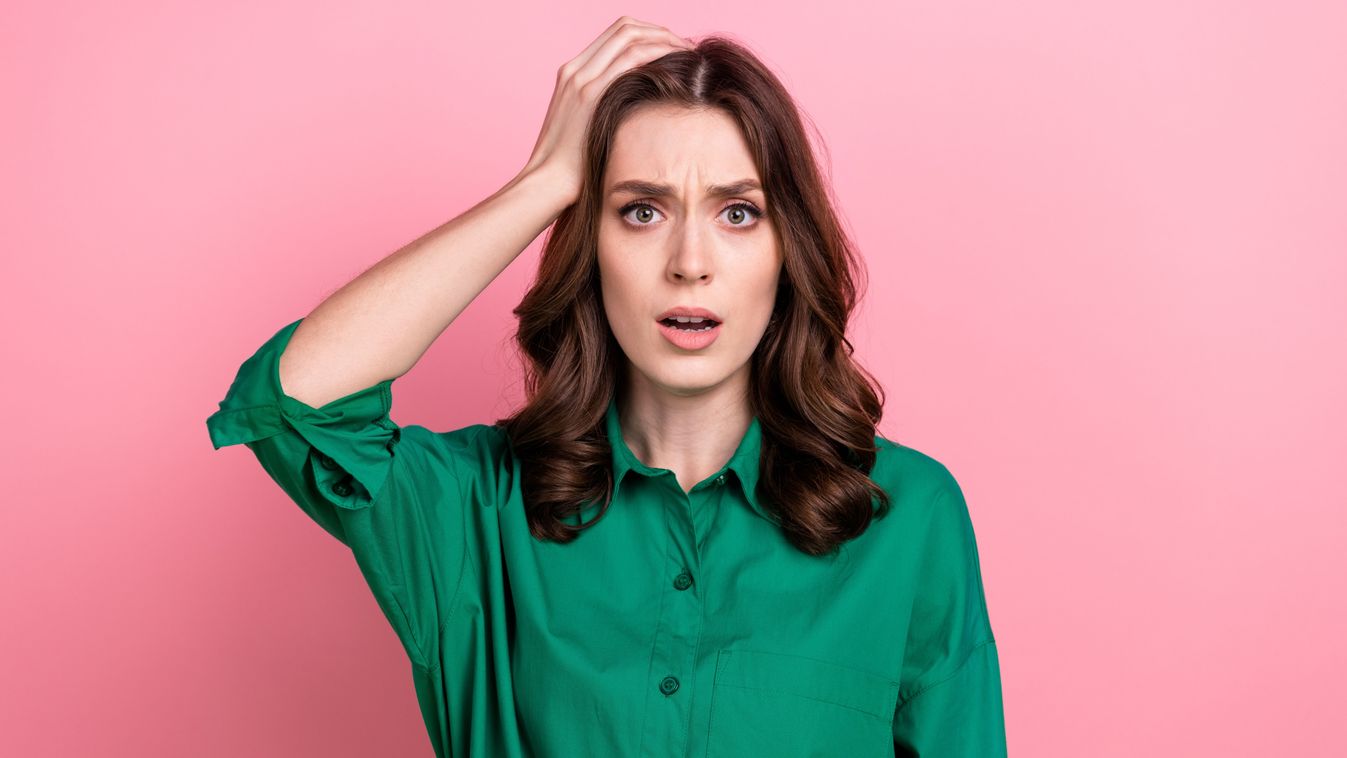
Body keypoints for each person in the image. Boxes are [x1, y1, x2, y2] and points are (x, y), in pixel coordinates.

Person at [206, 17, 1006, 757]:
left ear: (785, 251)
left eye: (736, 213)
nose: (689, 261)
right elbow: (297, 399)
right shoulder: (480, 507)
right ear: (589, 247)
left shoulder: (905, 515)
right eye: (640, 211)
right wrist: (546, 182)